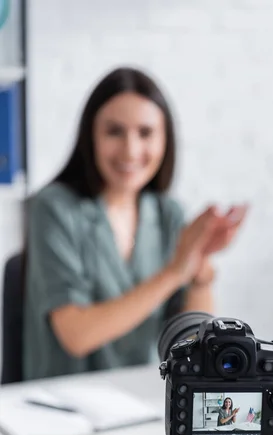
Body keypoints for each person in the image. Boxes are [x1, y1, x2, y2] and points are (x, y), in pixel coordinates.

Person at [22, 67, 247, 381]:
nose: (130, 150)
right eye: (114, 131)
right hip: (64, 401)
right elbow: (76, 335)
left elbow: (194, 342)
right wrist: (173, 272)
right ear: (91, 136)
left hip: (141, 394)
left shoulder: (168, 212)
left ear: (165, 139)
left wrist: (199, 267)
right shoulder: (54, 208)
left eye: (145, 133)